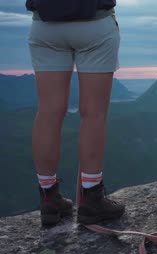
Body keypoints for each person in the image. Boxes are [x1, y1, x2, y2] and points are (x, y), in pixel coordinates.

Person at [26, 0, 125, 226]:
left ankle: (48, 197)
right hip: (95, 23)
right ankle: (91, 199)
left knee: (48, 112)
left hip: (45, 25)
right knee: (93, 113)